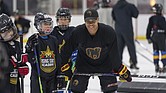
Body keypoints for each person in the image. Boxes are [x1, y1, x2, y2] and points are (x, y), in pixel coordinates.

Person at [61, 8, 132, 93]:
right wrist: (65, 67)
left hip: (105, 65)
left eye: (93, 21)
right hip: (83, 65)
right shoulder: (77, 32)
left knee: (111, 89)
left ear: (98, 19)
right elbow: (66, 50)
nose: (91, 24)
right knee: (77, 89)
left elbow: (114, 54)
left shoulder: (108, 32)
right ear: (84, 21)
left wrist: (121, 69)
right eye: (88, 22)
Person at [25, 12, 61, 93]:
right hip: (38, 76)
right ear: (38, 25)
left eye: (49, 24)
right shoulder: (34, 39)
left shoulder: (54, 39)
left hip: (52, 77)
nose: (48, 27)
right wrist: (29, 48)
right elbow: (29, 57)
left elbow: (57, 58)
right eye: (45, 24)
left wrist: (59, 74)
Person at [0, 13, 29, 93]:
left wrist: (23, 67)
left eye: (9, 31)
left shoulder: (17, 44)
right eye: (4, 33)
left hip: (15, 83)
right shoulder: (1, 47)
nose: (8, 34)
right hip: (3, 84)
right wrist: (12, 64)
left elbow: (19, 62)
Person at [50, 7, 75, 92]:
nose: (63, 21)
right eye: (61, 19)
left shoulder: (74, 32)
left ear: (69, 20)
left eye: (65, 19)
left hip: (71, 67)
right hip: (56, 68)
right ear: (57, 20)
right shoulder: (52, 33)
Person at [112, 0, 139, 70]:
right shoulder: (129, 6)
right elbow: (136, 14)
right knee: (131, 46)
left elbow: (113, 17)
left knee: (118, 48)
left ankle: (117, 64)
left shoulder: (115, 7)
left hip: (118, 29)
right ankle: (133, 62)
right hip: (127, 29)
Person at [146, 4, 166, 73]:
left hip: (154, 36)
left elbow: (148, 28)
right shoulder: (162, 18)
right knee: (163, 51)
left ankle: (156, 65)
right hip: (161, 36)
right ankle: (164, 65)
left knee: (155, 51)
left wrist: (148, 37)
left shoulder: (151, 18)